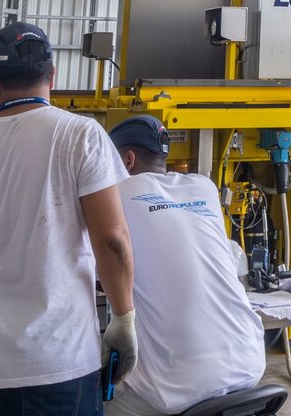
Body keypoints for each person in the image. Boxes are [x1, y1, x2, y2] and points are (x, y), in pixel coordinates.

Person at [0, 22, 138, 416]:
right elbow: (112, 241)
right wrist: (123, 319)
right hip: (59, 363)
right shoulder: (80, 135)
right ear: (52, 75)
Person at [105, 115, 265, 416]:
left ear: (127, 160)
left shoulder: (117, 194)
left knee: (91, 404)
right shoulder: (204, 188)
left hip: (173, 390)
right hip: (249, 368)